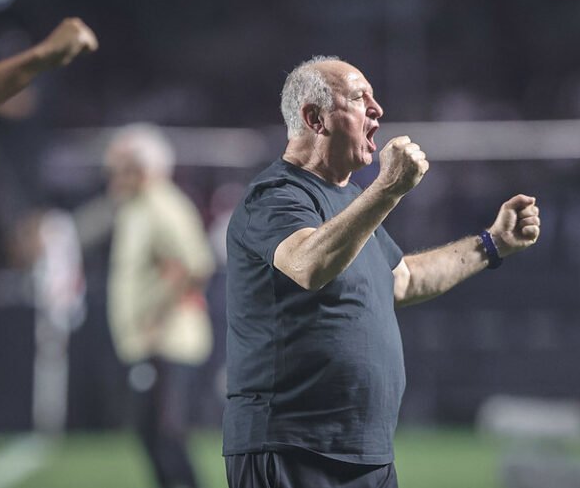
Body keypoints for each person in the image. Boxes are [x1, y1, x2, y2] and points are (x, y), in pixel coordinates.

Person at [223, 55, 541, 488]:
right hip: (291, 449)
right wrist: (388, 188)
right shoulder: (277, 195)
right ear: (314, 118)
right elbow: (307, 264)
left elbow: (403, 278)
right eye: (359, 98)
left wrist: (491, 244)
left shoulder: (349, 200)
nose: (378, 109)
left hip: (364, 453)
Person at [104, 124, 214, 488]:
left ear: (142, 166)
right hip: (148, 344)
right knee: (150, 438)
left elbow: (197, 266)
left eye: (119, 165)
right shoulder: (134, 207)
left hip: (168, 343)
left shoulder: (165, 205)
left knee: (167, 439)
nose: (112, 173)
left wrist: (156, 317)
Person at [0, 17, 97, 133]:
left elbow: (25, 105)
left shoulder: (44, 80)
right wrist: (43, 54)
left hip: (27, 149)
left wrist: (42, 57)